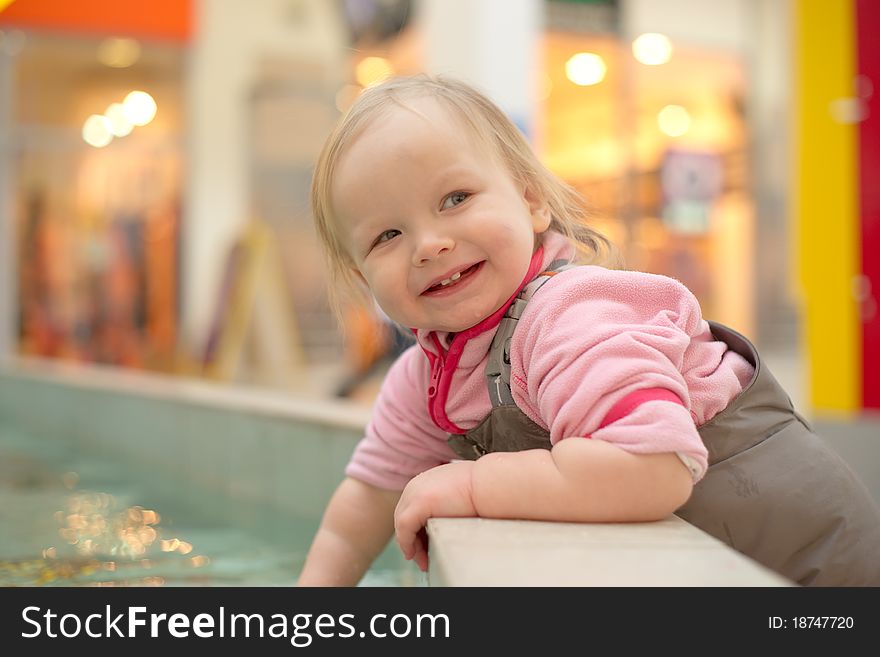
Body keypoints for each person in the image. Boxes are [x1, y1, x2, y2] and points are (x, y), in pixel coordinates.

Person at [298, 74, 880, 587]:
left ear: (530, 201)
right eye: (387, 236)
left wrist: (472, 487)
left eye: (456, 198)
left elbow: (652, 470)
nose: (430, 244)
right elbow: (359, 516)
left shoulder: (571, 315)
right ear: (360, 275)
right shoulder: (425, 378)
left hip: (814, 578)